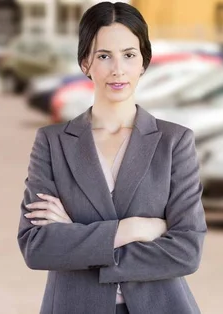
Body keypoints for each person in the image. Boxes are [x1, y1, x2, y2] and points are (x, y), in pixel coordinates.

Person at [16, 2, 207, 313]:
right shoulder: (52, 143)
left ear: (144, 62)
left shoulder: (175, 142)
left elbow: (187, 251)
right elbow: (36, 246)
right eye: (104, 56)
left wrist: (77, 239)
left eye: (129, 55)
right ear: (84, 62)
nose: (118, 69)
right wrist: (131, 229)